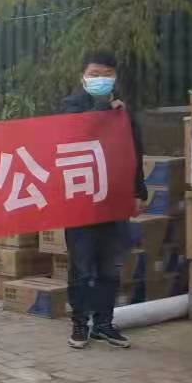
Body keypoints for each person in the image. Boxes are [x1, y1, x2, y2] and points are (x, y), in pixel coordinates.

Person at [58, 54, 146, 350]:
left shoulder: (123, 111)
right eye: (95, 73)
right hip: (81, 201)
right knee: (82, 268)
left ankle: (104, 324)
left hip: (113, 199)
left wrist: (139, 192)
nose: (101, 79)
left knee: (110, 267)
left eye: (107, 73)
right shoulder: (71, 106)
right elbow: (75, 134)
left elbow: (134, 152)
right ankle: (80, 324)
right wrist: (103, 109)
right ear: (83, 76)